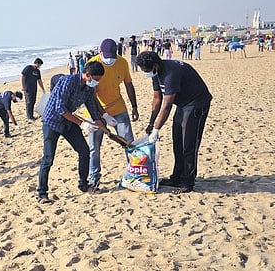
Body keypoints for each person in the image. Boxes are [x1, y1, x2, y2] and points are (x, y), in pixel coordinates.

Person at [136, 51, 212, 194]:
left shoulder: (171, 73)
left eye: (146, 70)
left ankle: (187, 182)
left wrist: (157, 130)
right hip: (183, 104)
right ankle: (176, 177)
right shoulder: (155, 73)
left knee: (188, 144)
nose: (146, 73)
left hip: (196, 103)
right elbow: (157, 99)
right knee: (177, 141)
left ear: (155, 65)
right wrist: (151, 124)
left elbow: (167, 105)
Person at [37, 62, 109, 204]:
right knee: (48, 158)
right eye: (96, 79)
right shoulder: (68, 81)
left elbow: (94, 111)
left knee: (84, 151)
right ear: (87, 75)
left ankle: (83, 184)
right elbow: (60, 109)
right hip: (52, 122)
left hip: (69, 122)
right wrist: (82, 124)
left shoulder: (88, 89)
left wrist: (106, 126)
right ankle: (42, 193)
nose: (97, 82)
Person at [85, 38, 139, 189]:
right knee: (94, 147)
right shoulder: (93, 63)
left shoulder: (122, 63)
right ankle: (94, 177)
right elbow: (90, 95)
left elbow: (128, 84)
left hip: (118, 108)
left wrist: (134, 106)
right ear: (100, 52)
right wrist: (103, 115)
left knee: (128, 142)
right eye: (106, 56)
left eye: (112, 56)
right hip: (95, 111)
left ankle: (134, 173)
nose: (109, 60)